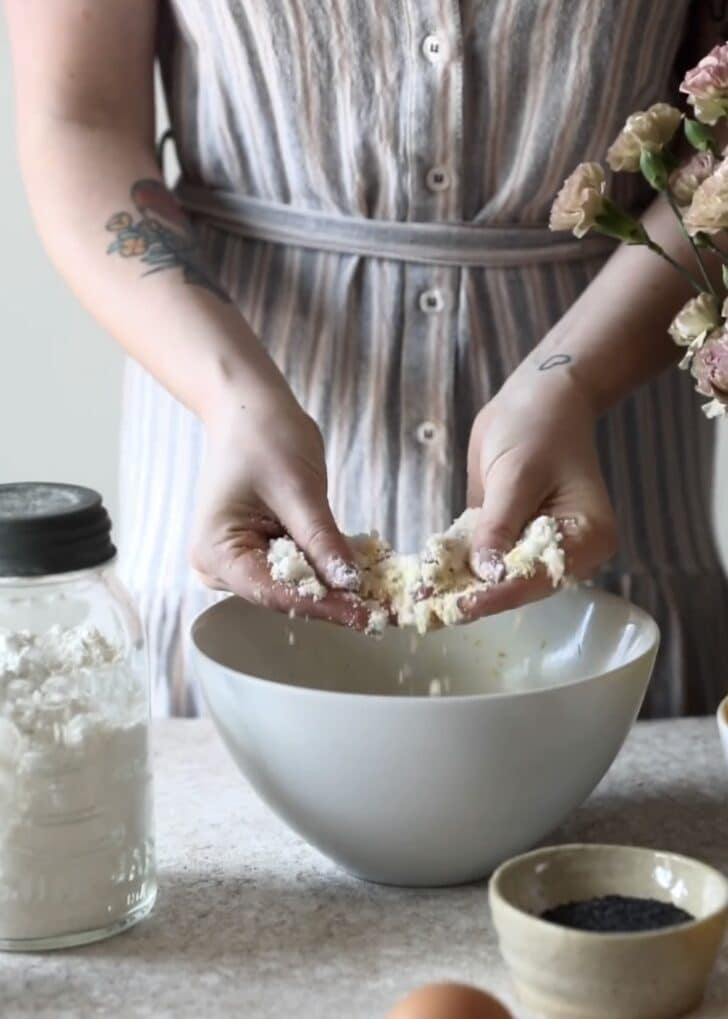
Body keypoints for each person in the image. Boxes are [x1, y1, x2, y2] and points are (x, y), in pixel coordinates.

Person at [5, 0, 728, 716]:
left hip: (608, 512)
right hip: (226, 459)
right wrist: (230, 398)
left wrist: (575, 380)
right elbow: (79, 117)